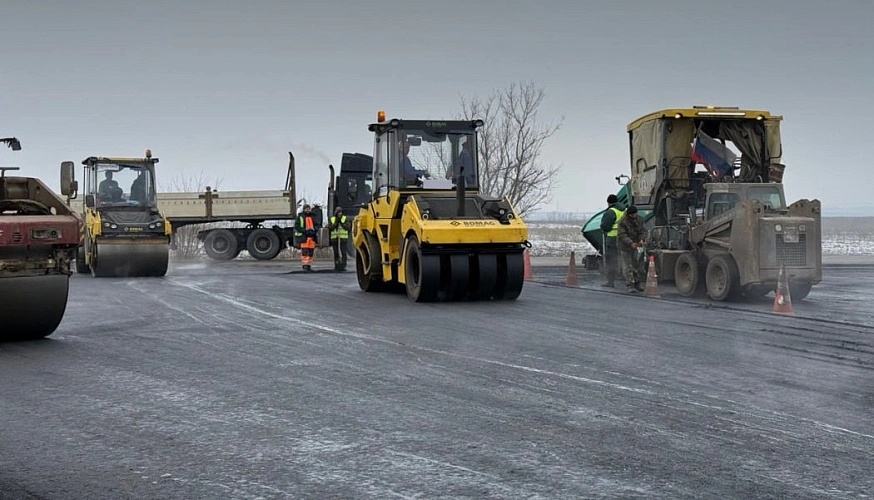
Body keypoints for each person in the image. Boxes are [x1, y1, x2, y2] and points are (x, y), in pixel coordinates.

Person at [617, 204, 647, 292]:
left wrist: (641, 239)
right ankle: (630, 284)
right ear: (629, 214)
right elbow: (622, 235)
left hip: (636, 245)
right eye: (632, 215)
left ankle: (637, 283)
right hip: (625, 246)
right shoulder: (622, 222)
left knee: (636, 265)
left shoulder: (640, 219)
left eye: (635, 214)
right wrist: (630, 243)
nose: (634, 216)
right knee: (627, 266)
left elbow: (643, 230)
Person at [598, 194, 625, 287]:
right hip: (624, 238)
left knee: (611, 260)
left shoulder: (611, 212)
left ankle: (610, 281)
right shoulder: (624, 210)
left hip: (612, 238)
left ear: (608, 202)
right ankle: (630, 282)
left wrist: (603, 228)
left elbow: (605, 226)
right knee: (625, 259)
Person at [294, 204, 319, 271]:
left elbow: (317, 225)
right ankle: (305, 265)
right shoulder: (300, 217)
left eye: (308, 209)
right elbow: (297, 226)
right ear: (304, 209)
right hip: (304, 237)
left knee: (311, 252)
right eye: (306, 209)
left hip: (312, 237)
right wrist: (304, 231)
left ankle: (309, 265)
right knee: (305, 252)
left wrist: (315, 230)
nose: (307, 210)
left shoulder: (313, 216)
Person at [329, 207, 351, 271]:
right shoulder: (332, 219)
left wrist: (342, 223)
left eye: (341, 212)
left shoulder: (344, 219)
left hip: (343, 238)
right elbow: (330, 228)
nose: (340, 214)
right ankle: (337, 265)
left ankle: (343, 265)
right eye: (338, 212)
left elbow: (348, 228)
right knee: (336, 253)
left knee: (343, 252)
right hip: (335, 239)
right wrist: (335, 223)